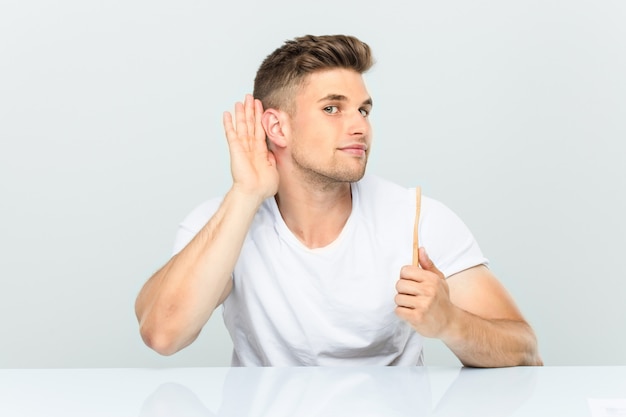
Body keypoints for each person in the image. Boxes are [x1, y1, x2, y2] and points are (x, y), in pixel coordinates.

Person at [135, 34, 543, 367]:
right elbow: (162, 334)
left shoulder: (416, 219)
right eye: (333, 108)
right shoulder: (222, 223)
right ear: (277, 126)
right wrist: (245, 195)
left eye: (364, 111)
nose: (359, 127)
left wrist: (450, 322)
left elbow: (525, 350)